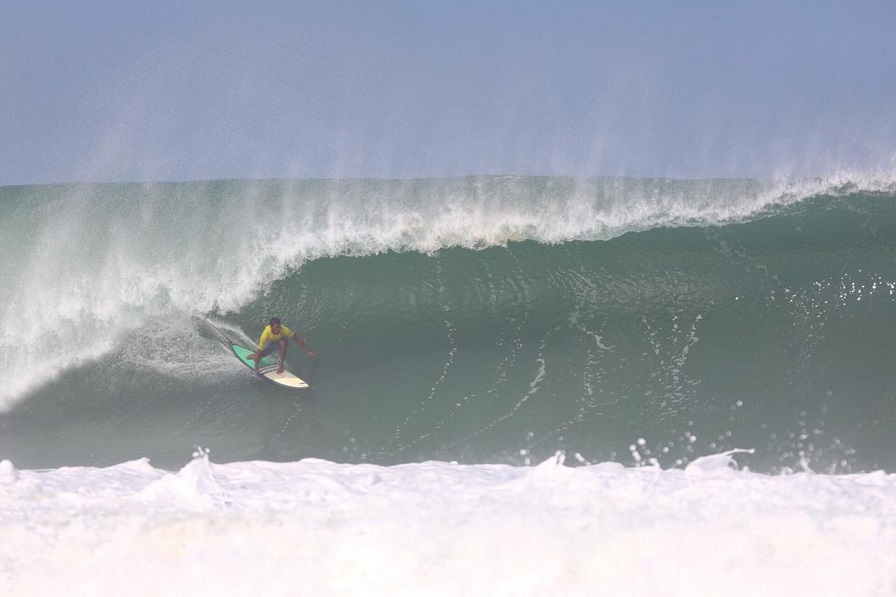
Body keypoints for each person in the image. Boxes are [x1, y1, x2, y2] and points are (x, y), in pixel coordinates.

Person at [249, 317, 316, 374]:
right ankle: (253, 356)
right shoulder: (265, 333)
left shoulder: (284, 330)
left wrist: (308, 350)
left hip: (281, 341)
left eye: (279, 327)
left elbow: (297, 339)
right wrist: (256, 368)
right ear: (271, 327)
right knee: (258, 356)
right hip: (272, 343)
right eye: (276, 327)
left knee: (283, 342)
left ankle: (281, 366)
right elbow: (260, 350)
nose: (279, 329)